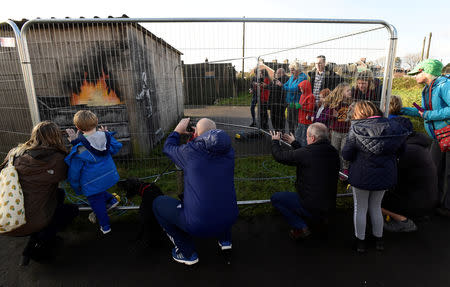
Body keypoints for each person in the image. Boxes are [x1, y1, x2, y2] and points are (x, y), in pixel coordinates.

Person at [153, 118, 238, 265]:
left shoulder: (190, 153)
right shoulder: (229, 151)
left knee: (158, 204)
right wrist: (198, 136)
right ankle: (225, 240)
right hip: (229, 217)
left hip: (199, 225)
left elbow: (168, 147)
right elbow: (209, 146)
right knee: (219, 195)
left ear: (197, 134)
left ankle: (187, 253)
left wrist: (177, 131)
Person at [0, 121, 79, 265]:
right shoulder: (56, 159)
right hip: (26, 223)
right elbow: (73, 174)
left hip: (9, 216)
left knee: (59, 194)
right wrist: (76, 144)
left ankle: (39, 234)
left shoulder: (15, 152)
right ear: (56, 137)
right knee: (71, 210)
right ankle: (38, 246)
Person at [342, 101, 408, 252]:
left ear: (359, 113)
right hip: (385, 174)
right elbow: (401, 151)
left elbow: (346, 154)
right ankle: (379, 240)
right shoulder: (394, 126)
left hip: (362, 174)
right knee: (376, 206)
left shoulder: (356, 128)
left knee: (360, 207)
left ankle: (360, 242)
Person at [270, 123, 340, 240]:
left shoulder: (306, 154)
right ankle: (321, 218)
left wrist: (275, 141)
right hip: (330, 204)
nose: (306, 138)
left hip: (310, 204)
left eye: (307, 136)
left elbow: (280, 156)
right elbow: (309, 155)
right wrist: (294, 143)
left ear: (312, 138)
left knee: (276, 198)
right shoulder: (333, 152)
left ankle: (301, 227)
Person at [382, 95, 438, 232]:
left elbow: (392, 178)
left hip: (418, 202)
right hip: (428, 200)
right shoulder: (417, 145)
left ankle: (404, 221)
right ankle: (415, 215)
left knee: (374, 199)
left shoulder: (407, 151)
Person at [401, 59, 450, 217]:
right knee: (434, 171)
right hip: (438, 136)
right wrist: (399, 109)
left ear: (426, 71)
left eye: (417, 73)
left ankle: (446, 207)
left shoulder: (444, 85)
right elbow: (423, 111)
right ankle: (434, 204)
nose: (414, 76)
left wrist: (429, 115)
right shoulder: (427, 89)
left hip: (447, 136)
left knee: (447, 172)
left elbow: (429, 113)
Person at [65, 110, 122, 235]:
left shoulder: (79, 148)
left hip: (92, 181)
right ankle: (112, 200)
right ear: (96, 122)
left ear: (78, 128)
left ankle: (105, 227)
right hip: (110, 176)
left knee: (96, 203)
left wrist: (75, 186)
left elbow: (75, 172)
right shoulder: (105, 136)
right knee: (98, 190)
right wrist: (107, 134)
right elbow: (116, 146)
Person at [327, 83, 353, 177]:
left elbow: (350, 117)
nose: (350, 92)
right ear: (341, 92)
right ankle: (334, 167)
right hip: (336, 131)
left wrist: (340, 115)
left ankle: (345, 169)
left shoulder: (351, 103)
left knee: (344, 151)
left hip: (346, 132)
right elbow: (330, 115)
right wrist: (333, 114)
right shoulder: (336, 104)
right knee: (335, 150)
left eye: (350, 90)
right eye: (347, 90)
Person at [284, 61, 308, 133]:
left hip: (297, 103)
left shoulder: (303, 77)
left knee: (296, 121)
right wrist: (285, 86)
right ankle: (291, 136)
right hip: (290, 102)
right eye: (290, 69)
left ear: (298, 69)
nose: (291, 71)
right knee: (290, 120)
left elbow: (295, 89)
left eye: (293, 69)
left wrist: (283, 87)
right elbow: (286, 84)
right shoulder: (292, 77)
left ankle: (297, 138)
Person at [294, 80, 315, 147]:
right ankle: (297, 148)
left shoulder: (311, 96)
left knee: (304, 138)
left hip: (306, 121)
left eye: (301, 88)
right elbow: (300, 106)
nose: (300, 89)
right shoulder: (302, 95)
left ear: (306, 88)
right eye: (300, 88)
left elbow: (310, 108)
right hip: (301, 119)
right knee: (298, 135)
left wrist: (300, 106)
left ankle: (304, 150)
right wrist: (295, 105)